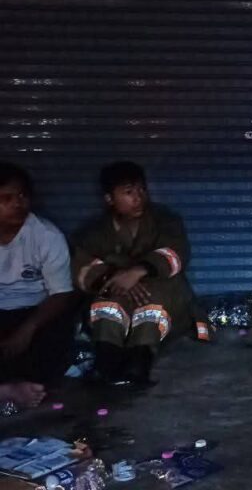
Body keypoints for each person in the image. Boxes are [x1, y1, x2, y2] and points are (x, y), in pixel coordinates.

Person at [73, 161, 206, 387]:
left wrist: (138, 271)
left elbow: (176, 252)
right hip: (118, 293)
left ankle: (140, 359)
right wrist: (118, 278)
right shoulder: (94, 232)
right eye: (129, 192)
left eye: (142, 190)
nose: (138, 197)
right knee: (109, 301)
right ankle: (106, 358)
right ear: (109, 199)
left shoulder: (165, 220)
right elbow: (82, 267)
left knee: (155, 300)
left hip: (165, 295)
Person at [0, 162, 78, 408]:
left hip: (36, 312)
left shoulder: (46, 235)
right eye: (6, 198)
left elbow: (61, 293)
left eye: (22, 196)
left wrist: (27, 329)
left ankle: (20, 386)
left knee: (51, 347)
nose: (18, 203)